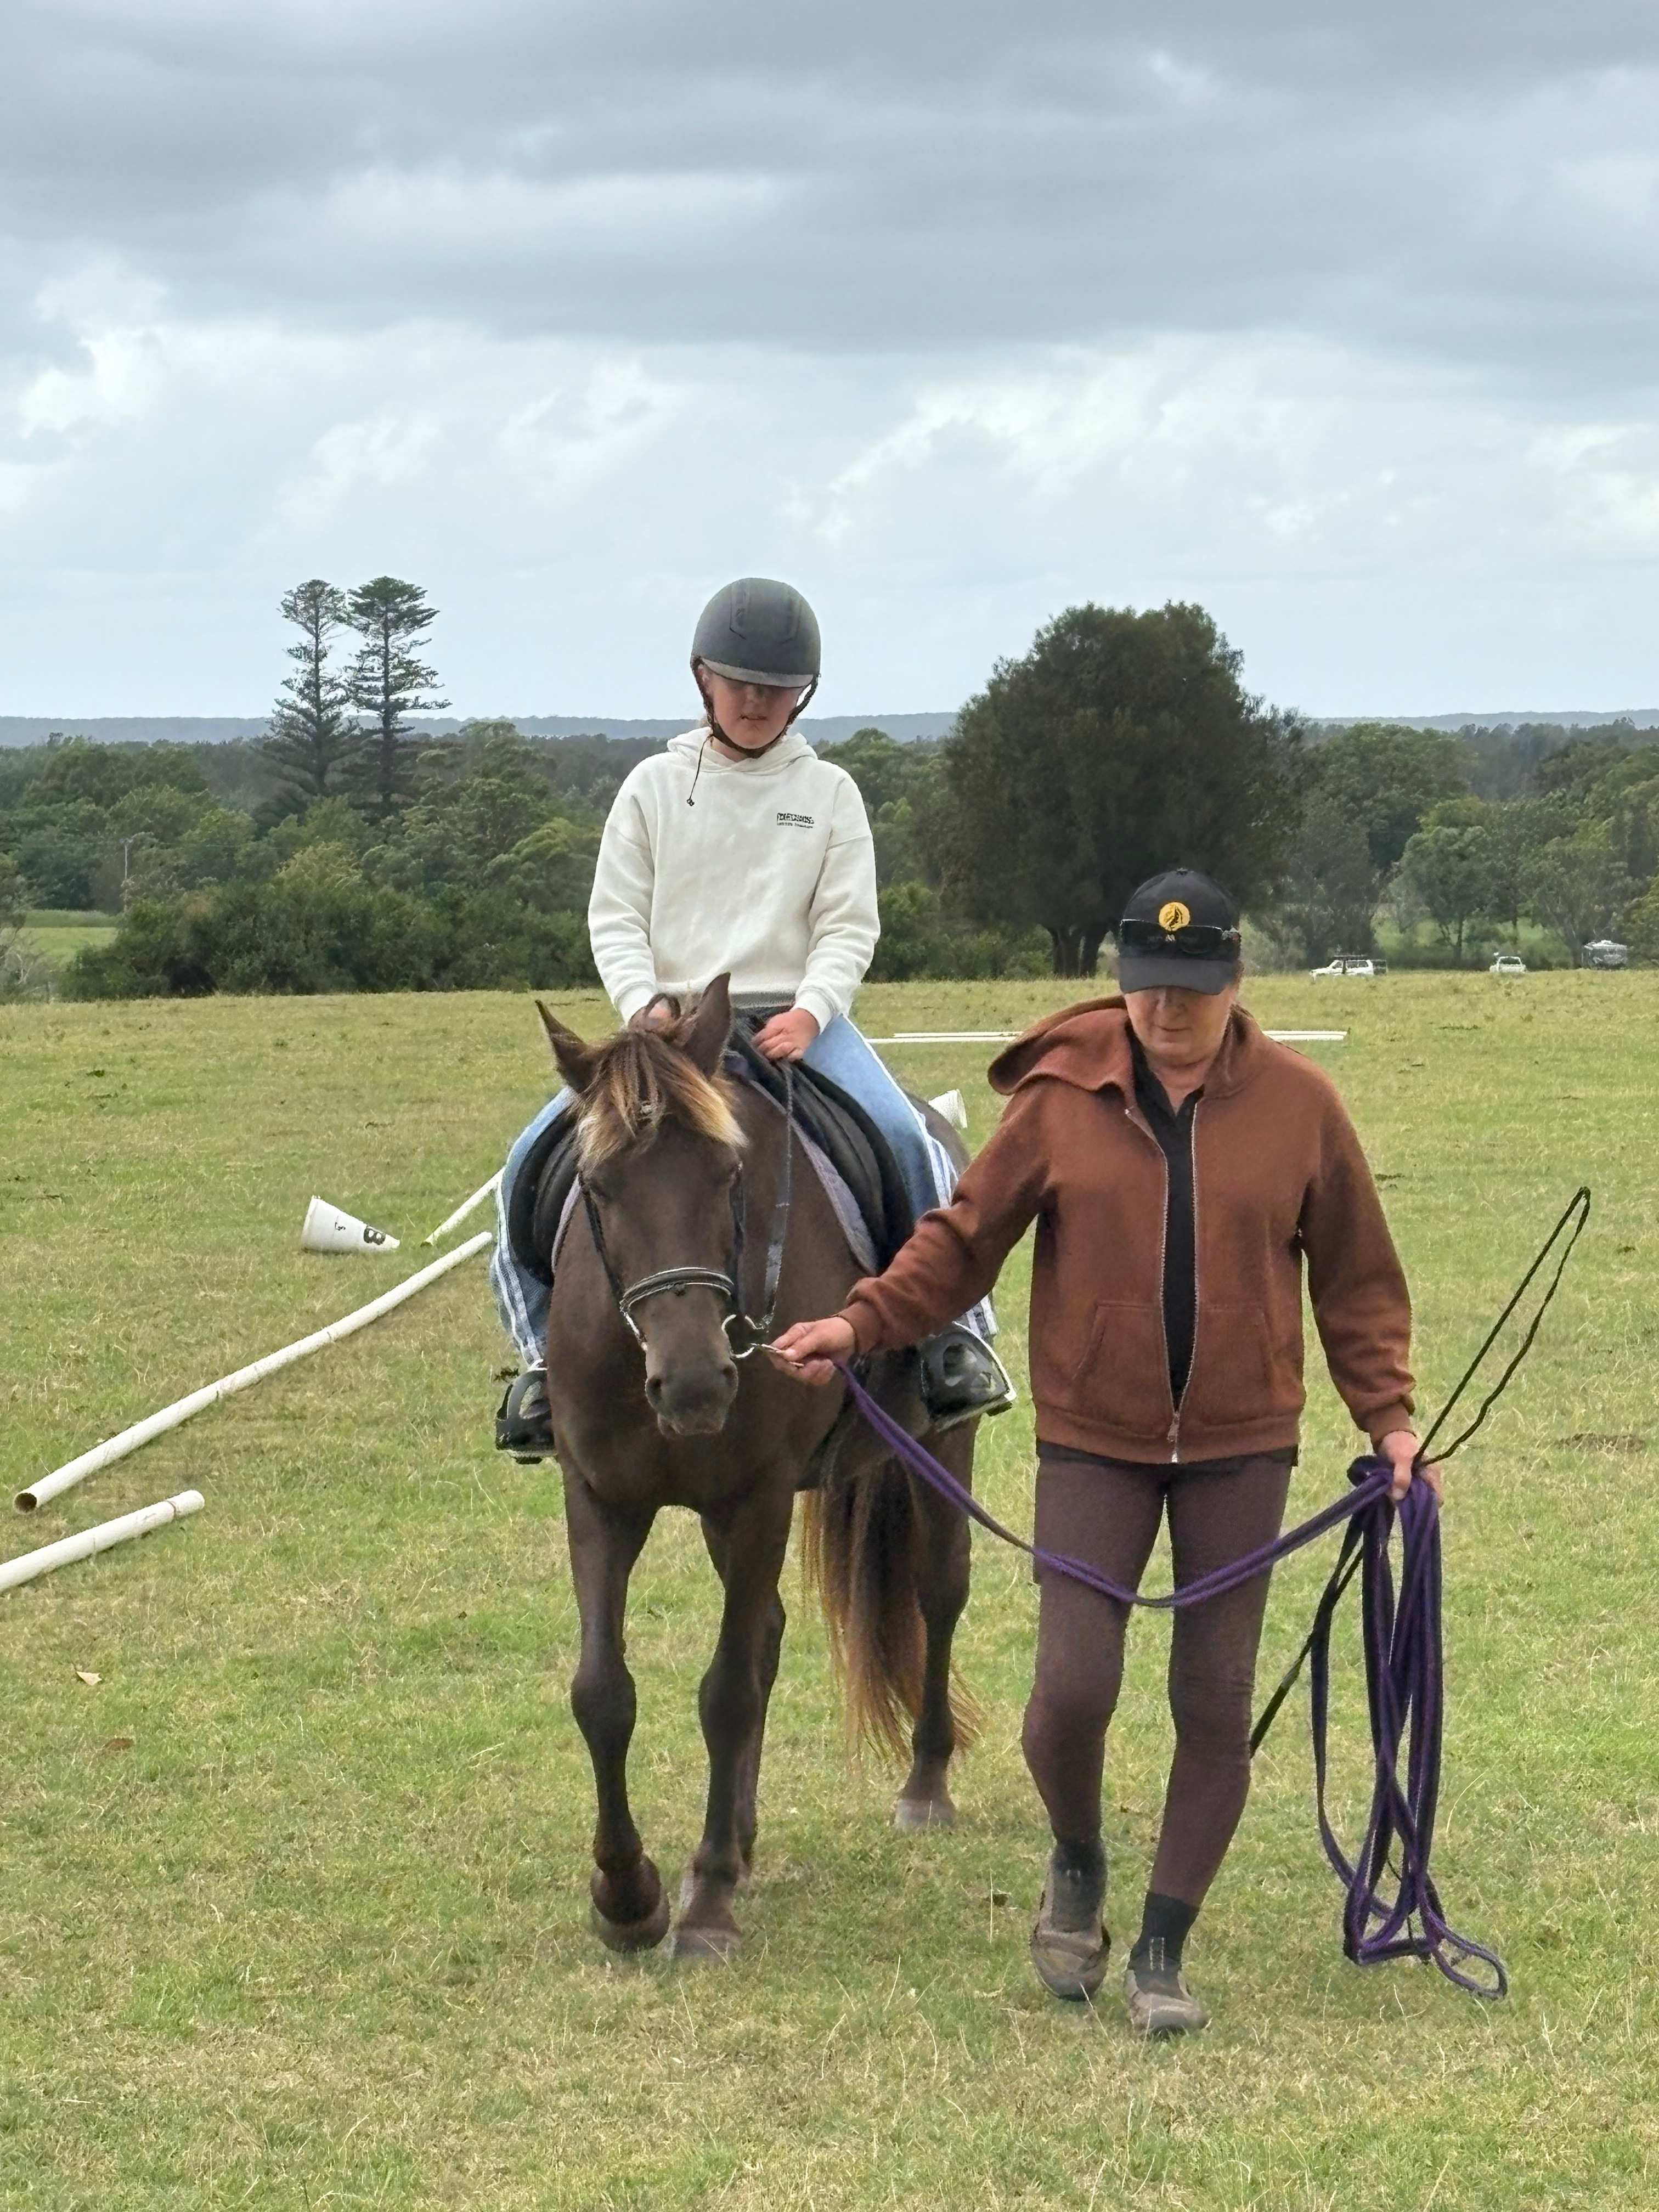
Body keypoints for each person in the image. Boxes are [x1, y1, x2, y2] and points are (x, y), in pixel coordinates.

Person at [769, 866, 1436, 2035]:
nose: (1167, 1012)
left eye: (1191, 989)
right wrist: (859, 1320)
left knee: (1212, 1701)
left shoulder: (1302, 1106)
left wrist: (1388, 1419)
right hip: (1094, 1440)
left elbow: (1358, 1281)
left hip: (1244, 1446)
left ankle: (1164, 1950)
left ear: (1235, 979)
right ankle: (1077, 1862)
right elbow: (964, 1238)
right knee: (1071, 1693)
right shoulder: (1060, 1099)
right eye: (1146, 988)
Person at [492, 575, 1014, 1455]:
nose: (757, 702)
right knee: (526, 1162)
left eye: (777, 690)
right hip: (667, 1030)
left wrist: (814, 1013)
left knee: (905, 1140)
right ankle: (542, 1360)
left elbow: (849, 922)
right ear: (703, 678)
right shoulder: (653, 787)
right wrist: (646, 1004)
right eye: (740, 684)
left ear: (802, 694)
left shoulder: (833, 793)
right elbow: (616, 915)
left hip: (792, 1020)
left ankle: (953, 1343)